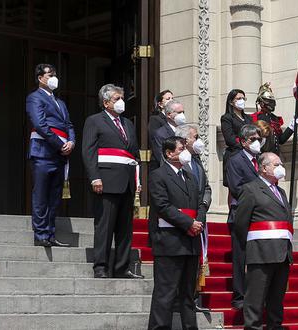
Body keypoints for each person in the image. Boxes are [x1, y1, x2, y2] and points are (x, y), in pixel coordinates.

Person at [82, 84, 142, 279]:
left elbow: (134, 154)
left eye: (121, 98)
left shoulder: (128, 124)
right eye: (116, 99)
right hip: (105, 181)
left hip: (127, 182)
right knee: (105, 226)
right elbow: (88, 151)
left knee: (125, 229)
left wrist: (137, 178)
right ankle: (101, 266)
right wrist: (94, 177)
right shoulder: (94, 121)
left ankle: (122, 267)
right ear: (106, 102)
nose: (121, 102)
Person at [147, 136, 205, 330]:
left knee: (188, 294)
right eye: (181, 149)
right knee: (165, 293)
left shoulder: (189, 176)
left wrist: (198, 221)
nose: (185, 152)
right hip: (170, 242)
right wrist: (189, 222)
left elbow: (199, 203)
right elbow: (162, 206)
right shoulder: (158, 175)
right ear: (169, 153)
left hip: (190, 242)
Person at [234, 152, 293, 330]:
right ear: (263, 168)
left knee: (276, 300)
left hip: (282, 253)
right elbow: (241, 223)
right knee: (255, 299)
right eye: (276, 164)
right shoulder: (250, 189)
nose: (280, 167)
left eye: (281, 163)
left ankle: (275, 326)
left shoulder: (281, 191)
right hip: (261, 252)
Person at [25, 64, 74, 247]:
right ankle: (41, 234)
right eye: (50, 75)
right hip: (43, 152)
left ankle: (51, 233)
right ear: (40, 78)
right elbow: (40, 124)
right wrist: (61, 144)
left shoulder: (60, 103)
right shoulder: (34, 98)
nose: (54, 78)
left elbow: (69, 125)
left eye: (55, 74)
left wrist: (71, 142)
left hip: (59, 155)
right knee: (41, 195)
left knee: (54, 196)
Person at [175, 124, 212, 312]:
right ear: (184, 140)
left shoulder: (197, 161)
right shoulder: (177, 162)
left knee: (196, 263)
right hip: (183, 220)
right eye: (195, 137)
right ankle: (178, 301)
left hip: (200, 216)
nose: (198, 140)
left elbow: (206, 188)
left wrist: (204, 207)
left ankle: (192, 298)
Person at [225, 124, 262, 309]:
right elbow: (236, 187)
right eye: (252, 139)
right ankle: (239, 296)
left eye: (258, 139)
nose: (257, 142)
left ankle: (256, 294)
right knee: (240, 257)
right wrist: (260, 198)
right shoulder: (235, 160)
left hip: (260, 215)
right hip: (242, 213)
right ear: (243, 142)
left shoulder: (261, 160)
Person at [251, 82, 297, 155]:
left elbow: (281, 140)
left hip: (275, 155)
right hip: (263, 154)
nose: (271, 104)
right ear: (262, 103)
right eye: (269, 101)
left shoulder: (274, 118)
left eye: (272, 101)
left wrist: (292, 126)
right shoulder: (257, 117)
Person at [220, 89, 253, 187]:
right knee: (235, 187)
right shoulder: (227, 118)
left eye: (243, 98)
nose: (242, 100)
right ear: (231, 102)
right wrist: (246, 145)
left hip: (250, 155)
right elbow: (230, 139)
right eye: (239, 98)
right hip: (235, 154)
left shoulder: (249, 118)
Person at [151, 99, 186, 167]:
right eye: (179, 112)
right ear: (169, 115)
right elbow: (162, 157)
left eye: (183, 112)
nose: (182, 115)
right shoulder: (161, 133)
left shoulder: (186, 131)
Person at [148, 90, 173, 171]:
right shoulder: (155, 119)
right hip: (160, 163)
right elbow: (155, 142)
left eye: (172, 98)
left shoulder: (175, 119)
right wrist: (164, 163)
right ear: (160, 104)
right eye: (168, 99)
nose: (171, 101)